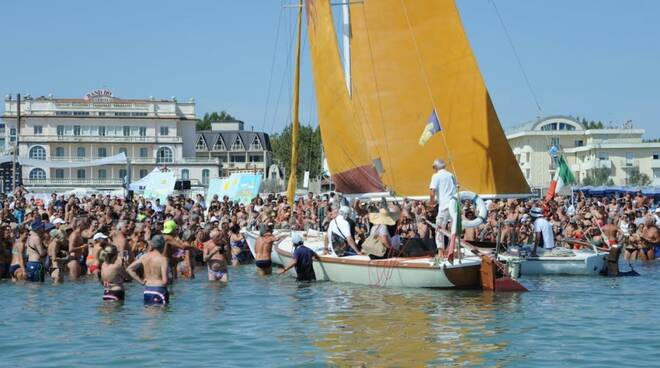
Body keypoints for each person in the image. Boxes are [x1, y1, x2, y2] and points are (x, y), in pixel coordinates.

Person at [127, 235, 170, 306]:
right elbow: (165, 281)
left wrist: (141, 281)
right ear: (163, 245)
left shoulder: (144, 256)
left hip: (147, 290)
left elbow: (129, 269)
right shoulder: (163, 259)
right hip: (159, 289)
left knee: (149, 314)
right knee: (161, 316)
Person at [429, 159, 457, 257]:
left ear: (436, 167)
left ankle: (441, 252)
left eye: (433, 167)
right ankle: (451, 249)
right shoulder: (450, 175)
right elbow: (455, 189)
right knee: (452, 228)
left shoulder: (435, 176)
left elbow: (432, 191)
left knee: (439, 227)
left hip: (444, 206)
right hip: (454, 205)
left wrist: (431, 202)